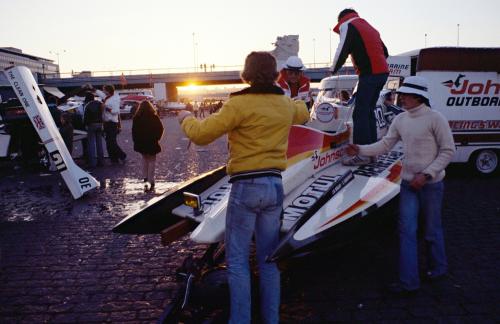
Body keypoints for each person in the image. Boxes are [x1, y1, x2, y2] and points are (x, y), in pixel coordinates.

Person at [177, 51, 309, 324]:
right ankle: (271, 319)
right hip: (274, 186)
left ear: (246, 74)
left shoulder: (238, 105)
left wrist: (185, 119)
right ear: (276, 75)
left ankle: (241, 320)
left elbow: (201, 135)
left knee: (237, 261)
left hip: (246, 186)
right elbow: (305, 113)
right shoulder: (285, 104)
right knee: (269, 259)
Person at [345, 76, 456, 294]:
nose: (399, 98)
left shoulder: (436, 119)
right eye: (400, 94)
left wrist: (426, 175)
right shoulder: (400, 120)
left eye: (404, 95)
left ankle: (439, 268)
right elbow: (385, 145)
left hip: (431, 185)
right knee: (406, 231)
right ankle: (409, 282)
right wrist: (359, 149)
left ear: (418, 96)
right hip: (407, 185)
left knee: (432, 230)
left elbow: (448, 151)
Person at [331, 8, 390, 165]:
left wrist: (332, 69)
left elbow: (342, 50)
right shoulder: (370, 27)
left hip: (369, 74)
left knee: (360, 114)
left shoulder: (348, 25)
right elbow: (385, 52)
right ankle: (372, 153)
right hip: (382, 73)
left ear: (340, 20)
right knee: (368, 111)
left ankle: (362, 155)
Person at [132, 100, 164, 191]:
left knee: (144, 159)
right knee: (152, 160)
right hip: (152, 141)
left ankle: (145, 178)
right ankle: (151, 179)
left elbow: (134, 131)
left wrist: (136, 141)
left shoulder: (136, 118)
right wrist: (157, 138)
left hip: (141, 142)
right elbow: (161, 128)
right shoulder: (154, 117)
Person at [96, 84, 127, 164]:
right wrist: (91, 88)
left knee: (111, 142)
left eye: (104, 89)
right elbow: (100, 93)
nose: (103, 91)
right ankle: (114, 159)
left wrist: (106, 108)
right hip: (107, 123)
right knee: (109, 143)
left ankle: (122, 156)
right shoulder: (107, 97)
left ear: (107, 91)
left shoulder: (115, 99)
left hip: (112, 123)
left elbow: (116, 111)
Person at [83, 92, 105, 167]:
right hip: (99, 124)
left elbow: (85, 117)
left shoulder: (87, 105)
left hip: (91, 125)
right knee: (99, 143)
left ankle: (92, 163)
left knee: (91, 144)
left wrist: (85, 125)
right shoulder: (99, 103)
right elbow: (103, 113)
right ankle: (101, 161)